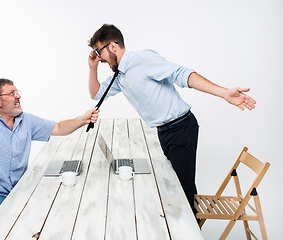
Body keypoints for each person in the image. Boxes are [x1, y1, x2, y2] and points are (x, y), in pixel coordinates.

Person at [87, 24, 256, 214]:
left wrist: (224, 92)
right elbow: (96, 93)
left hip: (181, 129)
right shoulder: (120, 76)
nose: (99, 58)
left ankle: (190, 229)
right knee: (180, 188)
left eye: (99, 52)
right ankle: (192, 223)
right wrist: (93, 68)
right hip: (165, 133)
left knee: (181, 194)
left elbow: (181, 74)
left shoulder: (142, 59)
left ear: (113, 46)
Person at [0, 48, 99, 220]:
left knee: (56, 205)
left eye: (17, 92)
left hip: (15, 191)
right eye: (12, 93)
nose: (18, 97)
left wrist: (83, 119)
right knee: (23, 218)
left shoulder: (25, 121)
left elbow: (59, 128)